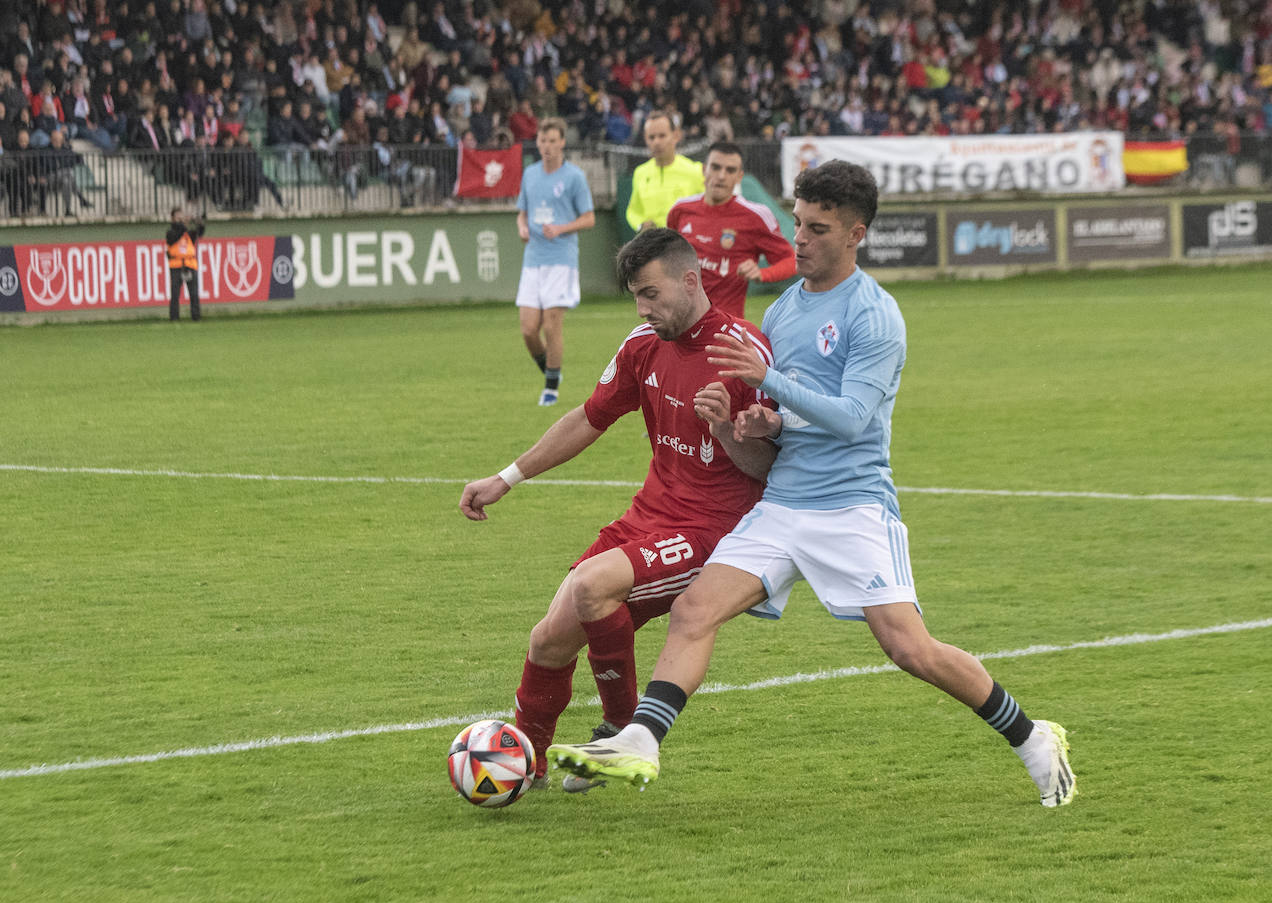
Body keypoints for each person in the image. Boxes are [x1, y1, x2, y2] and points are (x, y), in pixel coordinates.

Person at [550, 161, 1077, 808]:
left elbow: (853, 418)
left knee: (911, 649)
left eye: (817, 228)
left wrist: (768, 385)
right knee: (694, 609)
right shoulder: (786, 309)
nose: (798, 238)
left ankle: (1032, 737)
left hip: (852, 505)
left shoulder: (876, 317)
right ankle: (641, 737)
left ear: (855, 233)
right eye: (797, 223)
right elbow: (787, 422)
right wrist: (754, 422)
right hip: (783, 503)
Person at [459, 228, 776, 793]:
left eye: (651, 294)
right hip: (648, 516)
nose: (642, 307)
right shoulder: (642, 343)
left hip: (711, 531)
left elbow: (769, 468)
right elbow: (589, 417)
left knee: (591, 587)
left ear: (690, 280)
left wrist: (726, 428)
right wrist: (507, 477)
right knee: (548, 639)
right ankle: (526, 763)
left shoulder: (740, 350)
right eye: (635, 294)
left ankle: (621, 729)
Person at [514, 118, 595, 407]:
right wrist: (522, 227)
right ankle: (551, 371)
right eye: (542, 140)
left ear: (562, 142)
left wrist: (560, 228)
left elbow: (589, 218)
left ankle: (550, 389)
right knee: (527, 329)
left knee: (551, 325)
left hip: (561, 259)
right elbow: (522, 212)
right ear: (537, 143)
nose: (547, 146)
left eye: (552, 140)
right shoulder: (530, 174)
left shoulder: (573, 177)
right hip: (533, 259)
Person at [666, 141, 796, 319]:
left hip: (724, 327)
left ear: (739, 177)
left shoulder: (755, 216)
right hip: (679, 324)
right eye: (716, 167)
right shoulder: (680, 210)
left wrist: (762, 273)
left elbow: (791, 261)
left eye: (730, 170)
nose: (721, 176)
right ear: (704, 170)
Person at [624, 110, 703, 232]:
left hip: (686, 246)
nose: (656, 142)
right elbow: (633, 210)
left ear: (676, 135)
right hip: (653, 247)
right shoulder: (640, 173)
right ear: (646, 139)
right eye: (651, 137)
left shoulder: (695, 171)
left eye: (662, 136)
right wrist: (641, 225)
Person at [166, 206, 204, 321]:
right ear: (172, 218)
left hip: (190, 265)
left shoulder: (188, 233)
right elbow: (175, 237)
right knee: (175, 294)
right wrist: (183, 224)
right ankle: (174, 317)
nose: (180, 218)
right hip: (176, 266)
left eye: (180, 216)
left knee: (194, 293)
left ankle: (196, 316)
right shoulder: (170, 232)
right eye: (177, 216)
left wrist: (198, 222)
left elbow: (199, 233)